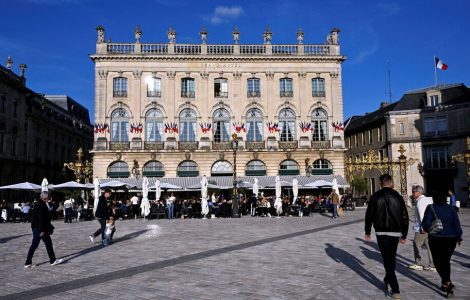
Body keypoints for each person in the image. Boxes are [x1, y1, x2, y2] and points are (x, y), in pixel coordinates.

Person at [364, 174, 408, 299]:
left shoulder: (375, 196)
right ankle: (394, 286)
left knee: (387, 258)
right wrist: (404, 234)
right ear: (391, 182)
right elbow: (405, 218)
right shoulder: (398, 197)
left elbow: (369, 216)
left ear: (380, 183)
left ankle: (390, 281)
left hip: (381, 232)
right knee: (391, 257)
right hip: (395, 232)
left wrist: (368, 232)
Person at [422, 193, 463, 298]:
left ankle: (447, 282)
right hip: (451, 238)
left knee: (438, 261)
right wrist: (459, 237)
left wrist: (429, 229)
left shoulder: (431, 207)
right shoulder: (451, 208)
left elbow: (425, 224)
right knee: (445, 261)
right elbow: (457, 223)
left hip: (436, 238)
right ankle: (445, 283)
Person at [25, 192, 63, 268]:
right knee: (46, 244)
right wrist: (41, 230)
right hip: (40, 229)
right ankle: (52, 260)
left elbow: (42, 216)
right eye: (49, 197)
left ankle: (28, 263)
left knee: (36, 245)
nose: (50, 198)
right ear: (45, 198)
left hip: (37, 228)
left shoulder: (39, 203)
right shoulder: (41, 205)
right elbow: (40, 218)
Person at [408, 185, 435, 271]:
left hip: (422, 227)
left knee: (416, 243)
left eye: (413, 191)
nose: (412, 193)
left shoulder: (420, 201)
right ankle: (433, 265)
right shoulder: (428, 199)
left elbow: (422, 215)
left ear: (419, 192)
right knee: (429, 245)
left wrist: (423, 227)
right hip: (430, 226)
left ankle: (418, 263)